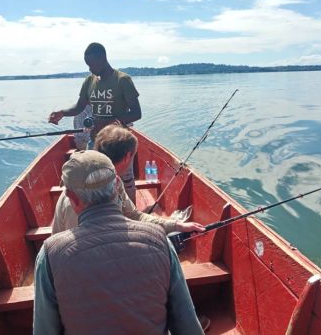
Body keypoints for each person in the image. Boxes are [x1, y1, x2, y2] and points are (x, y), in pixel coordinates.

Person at [33, 150, 204, 335]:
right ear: (116, 185)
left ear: (71, 197)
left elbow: (44, 330)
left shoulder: (50, 254)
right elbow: (187, 325)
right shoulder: (160, 241)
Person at [51, 124, 205, 236]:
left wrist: (176, 225)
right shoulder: (75, 202)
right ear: (127, 157)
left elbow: (134, 215)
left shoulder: (114, 183)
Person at [48, 42, 141, 200]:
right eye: (87, 65)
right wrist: (62, 113)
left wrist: (109, 122)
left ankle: (130, 217)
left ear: (103, 58)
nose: (90, 69)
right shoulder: (89, 82)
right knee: (96, 182)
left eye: (92, 64)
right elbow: (79, 107)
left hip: (120, 143)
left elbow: (137, 113)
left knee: (126, 182)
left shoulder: (123, 80)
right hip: (96, 141)